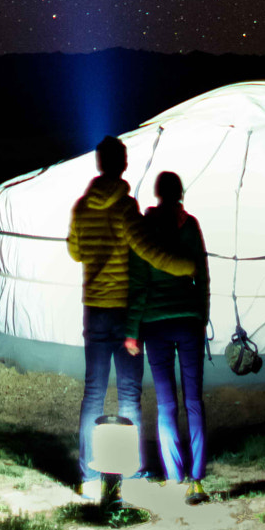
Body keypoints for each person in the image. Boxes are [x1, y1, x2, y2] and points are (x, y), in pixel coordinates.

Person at [68, 135, 195, 500]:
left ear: (98, 164)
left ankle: (87, 474)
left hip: (94, 311)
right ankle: (130, 470)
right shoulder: (126, 210)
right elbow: (150, 251)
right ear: (123, 165)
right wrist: (186, 265)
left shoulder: (81, 208)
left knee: (93, 392)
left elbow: (76, 252)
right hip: (124, 313)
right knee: (128, 394)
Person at [124, 169, 210, 503]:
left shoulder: (145, 232)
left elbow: (139, 284)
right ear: (180, 193)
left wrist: (132, 331)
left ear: (157, 194)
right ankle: (197, 479)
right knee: (193, 402)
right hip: (188, 322)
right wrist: (201, 316)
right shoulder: (189, 225)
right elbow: (201, 276)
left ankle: (175, 478)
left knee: (166, 404)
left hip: (155, 324)